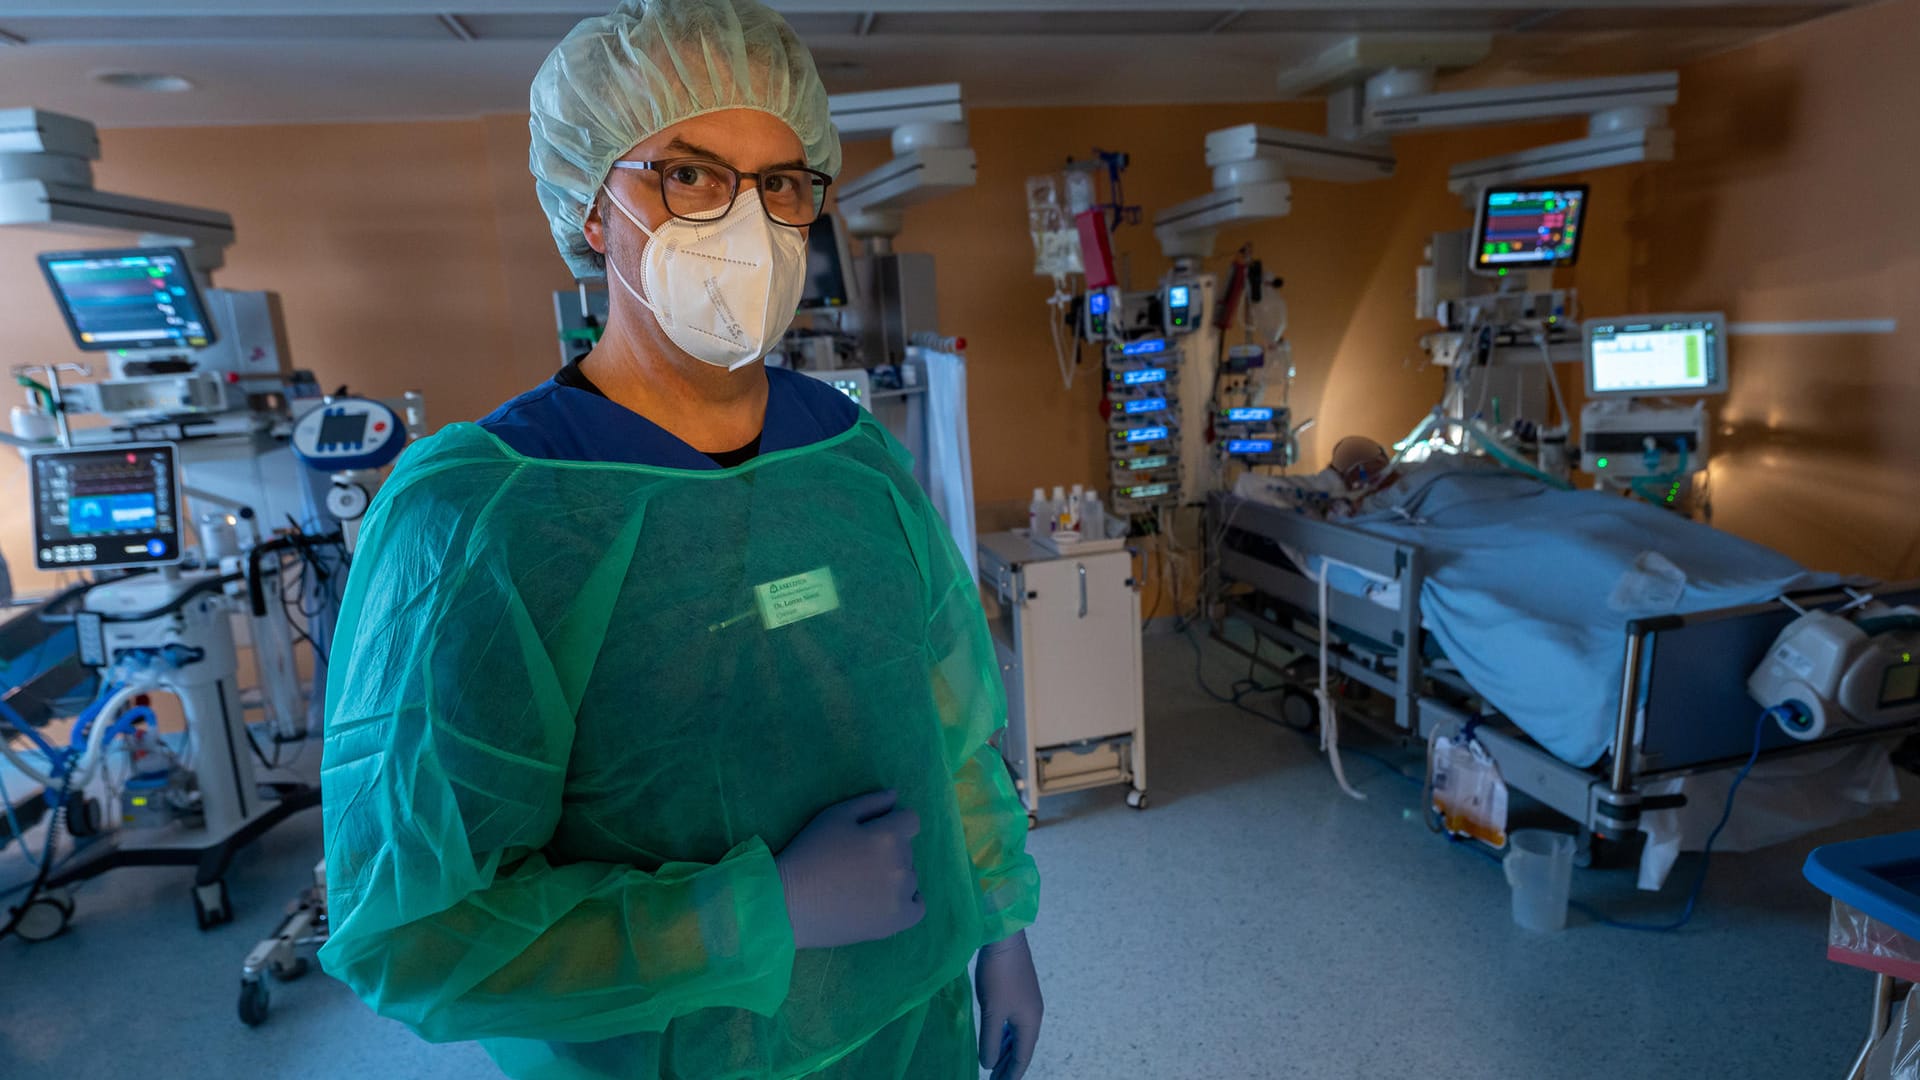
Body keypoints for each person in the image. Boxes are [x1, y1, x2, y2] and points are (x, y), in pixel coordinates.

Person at [315, 3, 1042, 1078]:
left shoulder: (851, 459)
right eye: (691, 175)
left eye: (782, 183)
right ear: (592, 208)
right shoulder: (486, 518)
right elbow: (418, 930)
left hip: (913, 1027)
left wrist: (1000, 927)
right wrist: (759, 914)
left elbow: (951, 731)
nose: (746, 225)